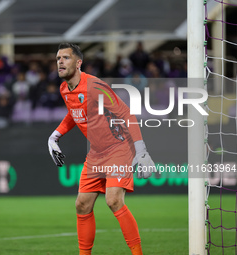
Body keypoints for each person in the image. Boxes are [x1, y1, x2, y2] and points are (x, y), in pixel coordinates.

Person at [48, 43, 155, 255]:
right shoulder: (64, 89)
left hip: (118, 147)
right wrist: (55, 135)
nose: (60, 61)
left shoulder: (94, 86)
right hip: (96, 153)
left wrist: (141, 149)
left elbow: (126, 114)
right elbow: (73, 114)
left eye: (66, 58)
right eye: (58, 58)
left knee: (113, 199)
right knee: (82, 204)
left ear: (78, 63)